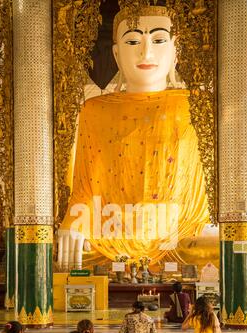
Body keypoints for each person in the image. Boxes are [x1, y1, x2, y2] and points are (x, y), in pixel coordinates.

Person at [58, 3, 209, 268]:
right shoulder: (94, 110)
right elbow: (83, 187)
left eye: (159, 39)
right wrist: (73, 221)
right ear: (116, 54)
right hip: (111, 229)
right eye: (133, 41)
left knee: (225, 244)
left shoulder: (194, 107)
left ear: (177, 51)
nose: (146, 51)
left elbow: (205, 192)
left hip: (178, 233)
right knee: (68, 247)